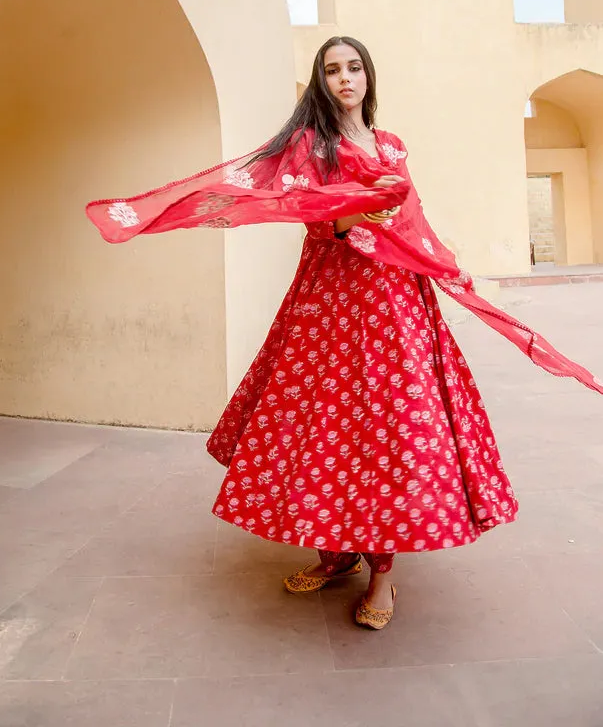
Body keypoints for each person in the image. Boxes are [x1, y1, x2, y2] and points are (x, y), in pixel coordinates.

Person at [87, 36, 600, 632]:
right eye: (332, 70)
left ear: (368, 76)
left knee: (390, 428)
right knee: (327, 423)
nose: (344, 79)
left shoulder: (391, 145)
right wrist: (352, 216)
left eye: (354, 68)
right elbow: (302, 211)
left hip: (393, 304)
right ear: (320, 82)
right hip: (331, 304)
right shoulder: (312, 145)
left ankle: (384, 575)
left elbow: (412, 217)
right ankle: (336, 553)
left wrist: (443, 260)